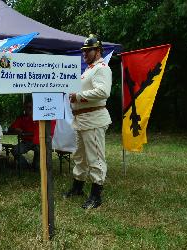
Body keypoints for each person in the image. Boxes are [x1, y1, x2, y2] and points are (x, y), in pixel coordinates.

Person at [63, 34, 112, 209]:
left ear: (98, 51)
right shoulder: (88, 70)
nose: (84, 53)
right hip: (82, 119)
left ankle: (96, 195)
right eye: (84, 50)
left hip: (94, 119)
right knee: (79, 156)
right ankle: (78, 187)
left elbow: (103, 92)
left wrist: (78, 96)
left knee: (95, 158)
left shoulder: (101, 69)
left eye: (88, 50)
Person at [8, 100, 39, 169]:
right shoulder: (21, 118)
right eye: (26, 107)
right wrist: (15, 129)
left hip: (37, 141)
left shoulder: (40, 117)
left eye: (30, 107)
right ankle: (26, 165)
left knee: (37, 165)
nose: (28, 109)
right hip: (26, 142)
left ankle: (35, 165)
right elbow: (10, 128)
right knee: (15, 150)